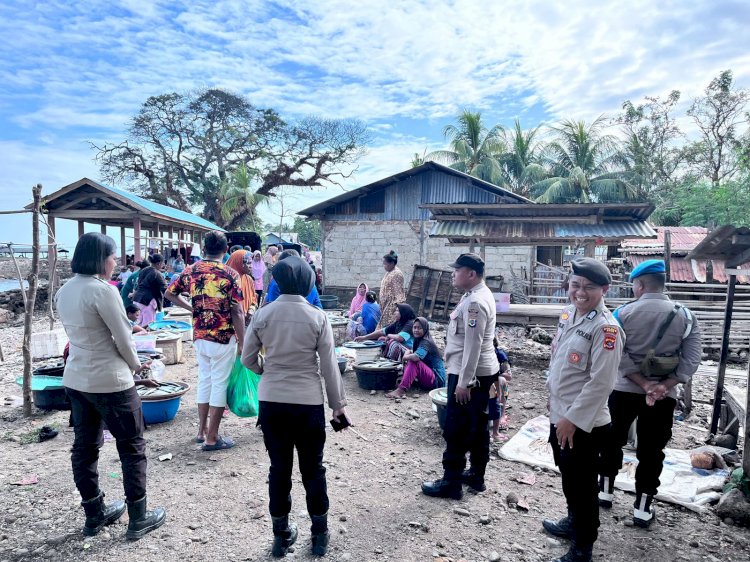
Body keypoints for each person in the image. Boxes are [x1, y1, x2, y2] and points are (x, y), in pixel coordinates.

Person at [55, 232, 166, 540]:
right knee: (132, 447)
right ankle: (138, 518)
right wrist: (138, 366)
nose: (116, 262)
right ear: (101, 260)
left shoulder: (65, 291)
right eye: (113, 257)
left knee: (85, 446)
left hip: (77, 378)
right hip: (110, 380)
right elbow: (122, 338)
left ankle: (94, 514)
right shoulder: (103, 291)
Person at [242, 255, 349, 558]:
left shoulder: (263, 314)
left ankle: (280, 537)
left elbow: (247, 359)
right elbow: (329, 367)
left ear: (276, 280)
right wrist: (338, 406)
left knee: (279, 470)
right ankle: (319, 536)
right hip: (308, 403)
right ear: (308, 282)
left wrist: (268, 370)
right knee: (313, 469)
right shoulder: (317, 316)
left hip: (272, 402)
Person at [597, 260, 701, 528]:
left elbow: (615, 354)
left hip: (623, 390)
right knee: (652, 450)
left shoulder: (621, 314)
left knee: (612, 440)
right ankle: (643, 507)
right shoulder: (686, 316)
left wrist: (642, 383)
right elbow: (692, 359)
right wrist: (664, 385)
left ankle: (605, 492)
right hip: (664, 395)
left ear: (640, 284)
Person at [542, 258, 625, 562]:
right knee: (568, 477)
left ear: (604, 289)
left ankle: (583, 546)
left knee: (583, 485)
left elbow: (601, 384)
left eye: (588, 287)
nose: (580, 291)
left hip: (582, 424)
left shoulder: (606, 329)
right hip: (559, 414)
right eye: (575, 284)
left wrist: (572, 421)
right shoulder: (569, 315)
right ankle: (573, 521)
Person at [422, 253, 499, 500]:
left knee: (456, 427)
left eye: (458, 270)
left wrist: (465, 382)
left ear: (471, 274)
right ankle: (476, 475)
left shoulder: (475, 302)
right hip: (482, 373)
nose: (453, 274)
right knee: (478, 426)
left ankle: (451, 482)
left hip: (470, 374)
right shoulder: (475, 296)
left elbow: (473, 346)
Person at [165, 231, 245, 451]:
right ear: (225, 249)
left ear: (203, 248)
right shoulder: (230, 274)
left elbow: (170, 293)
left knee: (205, 380)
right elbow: (237, 311)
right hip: (223, 336)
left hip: (200, 335)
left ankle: (201, 431)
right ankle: (212, 437)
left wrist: (193, 308)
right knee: (219, 383)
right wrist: (243, 341)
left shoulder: (191, 271)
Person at [386, 317, 446, 398]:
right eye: (414, 327)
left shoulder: (426, 342)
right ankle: (406, 382)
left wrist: (405, 357)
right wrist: (409, 353)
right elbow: (414, 352)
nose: (416, 330)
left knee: (413, 361)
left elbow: (416, 357)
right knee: (411, 358)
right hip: (429, 375)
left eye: (419, 328)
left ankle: (401, 390)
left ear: (425, 329)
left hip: (437, 381)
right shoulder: (419, 339)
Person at [132, 253, 167, 327]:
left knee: (138, 324)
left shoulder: (144, 270)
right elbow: (165, 289)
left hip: (137, 299)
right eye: (163, 263)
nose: (163, 265)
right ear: (159, 263)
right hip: (147, 302)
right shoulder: (157, 273)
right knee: (149, 325)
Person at [225, 249, 259, 325]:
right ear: (239, 263)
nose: (251, 266)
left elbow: (254, 299)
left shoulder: (248, 279)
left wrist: (251, 310)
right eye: (249, 263)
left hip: (246, 322)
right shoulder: (226, 281)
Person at [379, 250, 405, 328]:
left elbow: (399, 294)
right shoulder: (389, 272)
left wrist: (396, 310)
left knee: (390, 328)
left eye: (385, 264)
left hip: (391, 307)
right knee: (384, 328)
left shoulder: (397, 274)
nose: (384, 266)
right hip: (385, 306)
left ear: (392, 263)